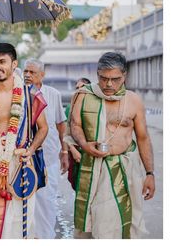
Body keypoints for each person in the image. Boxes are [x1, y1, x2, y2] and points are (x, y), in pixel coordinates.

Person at [70, 51, 155, 239]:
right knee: (94, 222)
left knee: (118, 220)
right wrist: (84, 144)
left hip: (124, 168)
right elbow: (74, 125)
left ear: (124, 75)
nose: (109, 84)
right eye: (104, 78)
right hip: (93, 168)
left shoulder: (133, 100)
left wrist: (149, 173)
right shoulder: (83, 95)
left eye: (115, 79)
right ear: (97, 74)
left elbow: (143, 137)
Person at [0, 43, 48, 239]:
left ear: (14, 64)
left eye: (2, 62)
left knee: (19, 219)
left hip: (20, 164)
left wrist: (31, 150)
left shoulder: (30, 95)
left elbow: (43, 128)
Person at [23, 58, 68, 239]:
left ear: (42, 75)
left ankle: (46, 238)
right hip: (23, 160)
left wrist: (64, 151)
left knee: (46, 203)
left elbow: (60, 125)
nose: (27, 75)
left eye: (32, 72)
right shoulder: (18, 94)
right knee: (23, 205)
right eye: (25, 71)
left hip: (48, 159)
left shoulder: (53, 94)